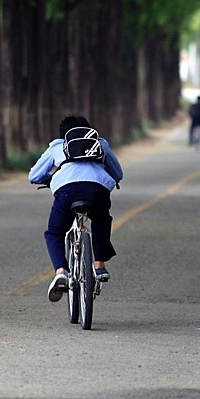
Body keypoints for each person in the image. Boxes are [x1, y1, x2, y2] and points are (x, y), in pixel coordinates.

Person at [29, 115, 123, 302]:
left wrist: (50, 179)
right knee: (101, 220)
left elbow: (34, 175)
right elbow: (118, 174)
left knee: (55, 232)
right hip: (98, 190)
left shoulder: (57, 146)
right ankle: (99, 265)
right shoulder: (100, 144)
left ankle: (61, 271)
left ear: (63, 134)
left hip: (67, 192)